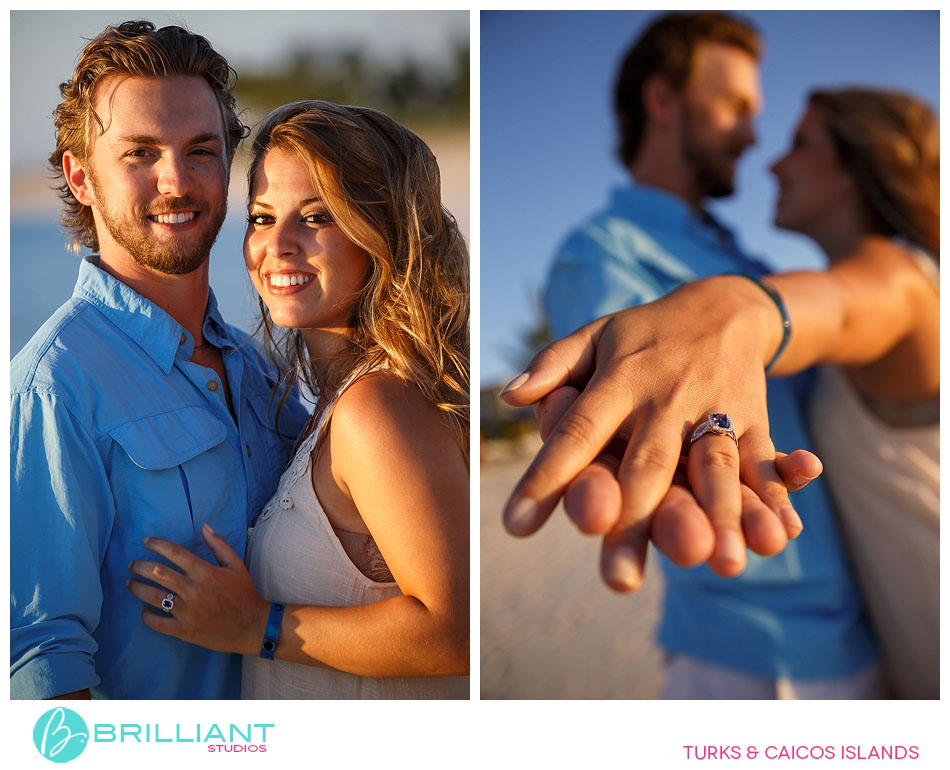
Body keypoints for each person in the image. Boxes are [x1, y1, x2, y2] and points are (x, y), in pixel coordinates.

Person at [502, 11, 883, 699]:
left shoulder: (746, 261)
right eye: (734, 105)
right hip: (752, 657)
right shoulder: (603, 251)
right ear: (663, 102)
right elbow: (627, 394)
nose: (752, 132)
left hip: (861, 634)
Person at [126, 101, 470, 699]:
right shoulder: (333, 402)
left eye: (316, 216)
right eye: (261, 218)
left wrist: (255, 626)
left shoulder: (376, 409)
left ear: (379, 230)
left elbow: (456, 633)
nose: (277, 245)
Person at [10, 21, 308, 699]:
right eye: (140, 153)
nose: (176, 181)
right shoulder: (50, 389)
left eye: (201, 150)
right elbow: (42, 666)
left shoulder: (262, 371)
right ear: (81, 177)